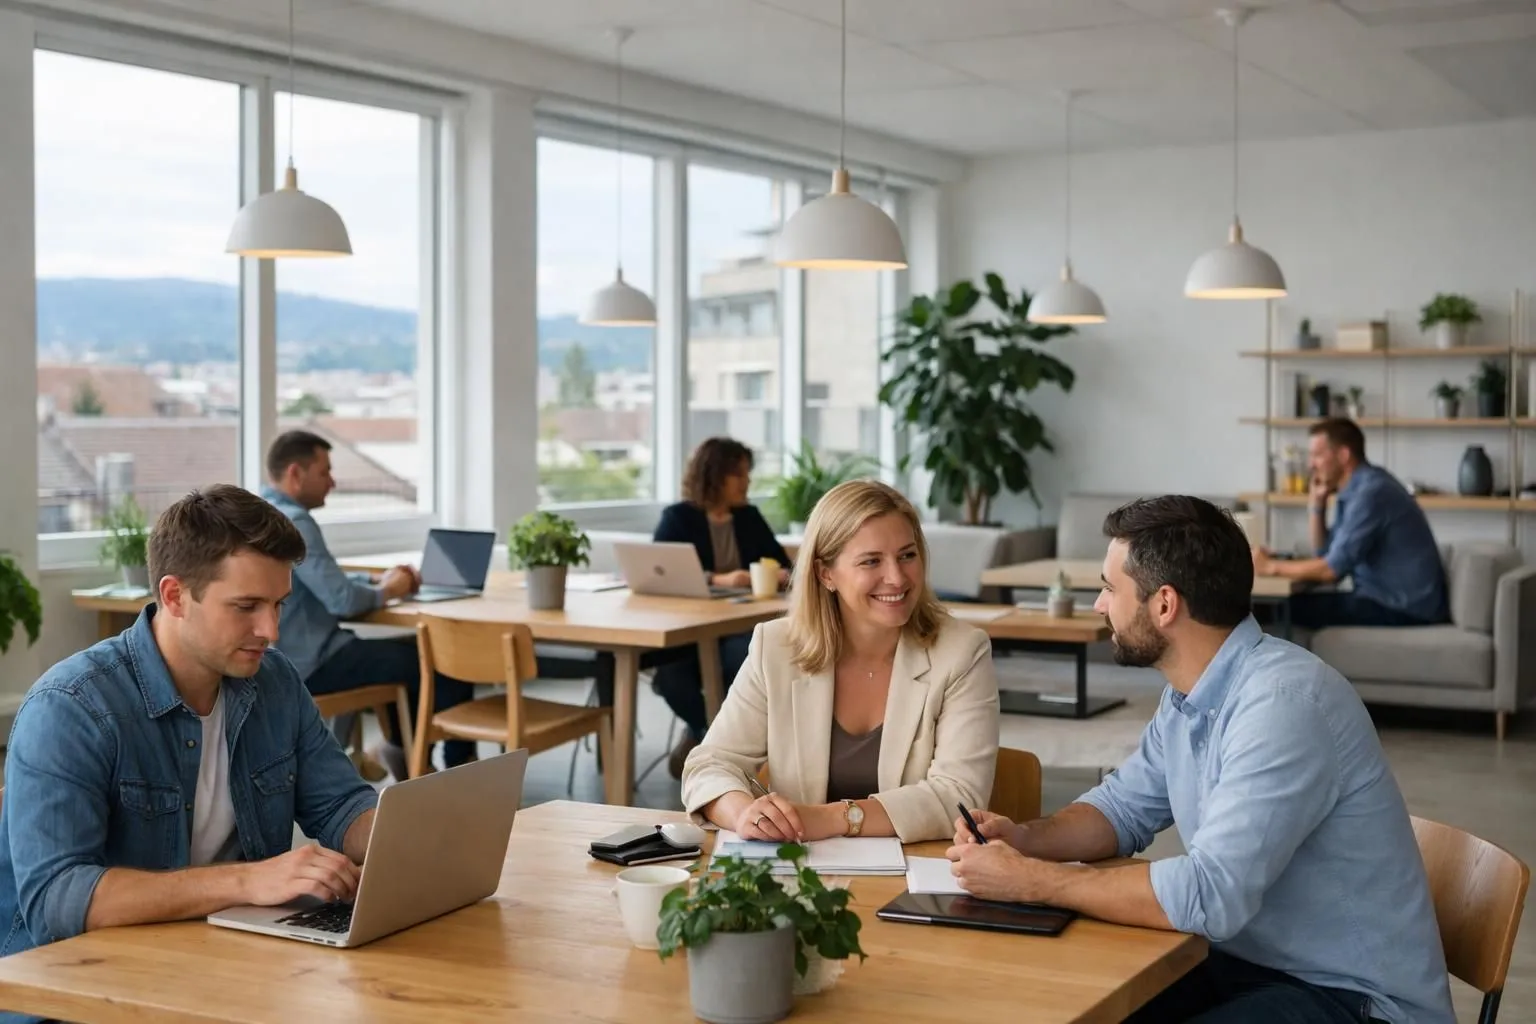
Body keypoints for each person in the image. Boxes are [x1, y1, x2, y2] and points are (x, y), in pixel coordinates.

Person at [946, 495, 1454, 1024]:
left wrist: (1036, 881)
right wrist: (1026, 839)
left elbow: (1211, 895)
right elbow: (1123, 808)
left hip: (1353, 999)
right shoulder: (1192, 692)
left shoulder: (1283, 705)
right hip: (1250, 965)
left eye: (1107, 588)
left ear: (1164, 605)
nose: (1099, 605)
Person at [0, 486, 377, 980]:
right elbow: (58, 899)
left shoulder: (274, 681)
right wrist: (247, 881)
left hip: (224, 961)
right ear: (174, 596)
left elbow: (339, 807)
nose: (272, 630)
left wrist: (414, 842)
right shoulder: (71, 708)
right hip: (85, 982)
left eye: (279, 604)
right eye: (246, 606)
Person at [681, 479, 999, 844]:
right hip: (800, 878)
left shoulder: (962, 651)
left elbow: (959, 797)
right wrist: (745, 814)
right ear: (825, 573)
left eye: (907, 555)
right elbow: (709, 764)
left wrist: (836, 817)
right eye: (871, 561)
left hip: (913, 876)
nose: (896, 577)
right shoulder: (776, 647)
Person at [261, 430, 475, 778]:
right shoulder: (296, 522)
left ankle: (403, 752)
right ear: (296, 474)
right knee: (439, 658)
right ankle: (458, 768)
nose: (332, 482)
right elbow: (341, 600)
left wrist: (376, 581)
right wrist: (389, 591)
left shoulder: (264, 513)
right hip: (315, 663)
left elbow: (319, 580)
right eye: (324, 472)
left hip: (286, 658)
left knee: (409, 657)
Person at [652, 437, 794, 777]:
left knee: (748, 656)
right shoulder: (678, 518)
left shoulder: (748, 517)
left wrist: (781, 573)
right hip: (689, 630)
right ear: (714, 476)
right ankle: (708, 740)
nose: (747, 482)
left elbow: (779, 562)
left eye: (747, 474)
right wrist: (720, 578)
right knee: (670, 676)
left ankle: (716, 745)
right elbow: (661, 571)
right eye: (740, 474)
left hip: (738, 627)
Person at [1252, 418, 1448, 629]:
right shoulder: (1357, 491)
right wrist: (1317, 506)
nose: (1311, 465)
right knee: (1276, 608)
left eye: (1317, 455)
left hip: (1404, 608)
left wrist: (1270, 567)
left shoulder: (1371, 493)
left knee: (1273, 610)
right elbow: (1325, 555)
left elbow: (1330, 571)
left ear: (1343, 455)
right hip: (1388, 600)